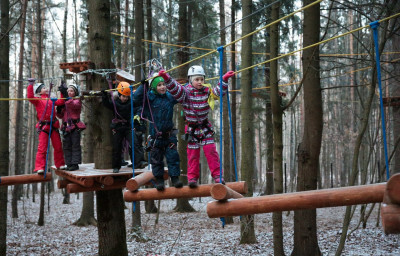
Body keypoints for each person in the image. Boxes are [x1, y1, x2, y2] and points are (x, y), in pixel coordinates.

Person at [159, 66, 234, 188]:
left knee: (211, 151)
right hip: (191, 129)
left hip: (205, 128)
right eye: (197, 79)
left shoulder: (207, 91)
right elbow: (175, 89)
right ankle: (192, 178)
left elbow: (218, 92)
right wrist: (166, 78)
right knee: (192, 154)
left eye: (201, 79)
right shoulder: (185, 93)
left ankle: (217, 176)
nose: (199, 82)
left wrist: (224, 80)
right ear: (190, 80)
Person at [134, 73, 183, 191]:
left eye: (164, 84)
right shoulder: (149, 99)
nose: (162, 87)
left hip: (169, 135)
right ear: (154, 87)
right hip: (156, 136)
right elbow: (136, 99)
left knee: (173, 157)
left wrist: (170, 81)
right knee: (156, 159)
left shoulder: (169, 97)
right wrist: (143, 86)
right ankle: (159, 180)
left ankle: (175, 178)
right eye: (159, 85)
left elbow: (179, 93)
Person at [27, 79, 65, 174]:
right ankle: (40, 167)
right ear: (39, 91)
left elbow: (60, 102)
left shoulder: (52, 99)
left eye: (46, 87)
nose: (46, 88)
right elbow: (30, 97)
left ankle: (60, 164)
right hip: (44, 127)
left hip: (53, 126)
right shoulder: (38, 100)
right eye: (43, 88)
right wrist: (30, 85)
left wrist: (62, 91)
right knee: (42, 148)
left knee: (58, 146)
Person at [102, 82, 139, 173]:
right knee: (117, 147)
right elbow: (106, 103)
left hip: (127, 127)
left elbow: (139, 98)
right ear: (119, 95)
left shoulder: (131, 102)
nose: (125, 98)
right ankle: (116, 166)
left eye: (127, 97)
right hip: (117, 128)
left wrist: (143, 86)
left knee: (134, 143)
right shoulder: (114, 103)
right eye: (123, 96)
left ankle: (138, 162)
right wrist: (104, 96)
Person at [57, 84, 86, 171]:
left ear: (75, 92)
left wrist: (66, 99)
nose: (69, 92)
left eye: (71, 91)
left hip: (75, 127)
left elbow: (74, 105)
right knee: (66, 146)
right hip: (66, 127)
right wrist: (59, 110)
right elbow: (61, 116)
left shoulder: (77, 100)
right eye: (68, 91)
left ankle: (75, 164)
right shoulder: (66, 101)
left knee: (75, 145)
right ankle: (69, 163)